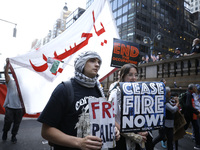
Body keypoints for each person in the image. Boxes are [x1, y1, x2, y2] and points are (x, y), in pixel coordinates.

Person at [37, 51, 120, 150]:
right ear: (82, 63)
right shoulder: (64, 89)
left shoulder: (99, 90)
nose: (97, 64)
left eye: (99, 62)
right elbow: (46, 131)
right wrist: (79, 143)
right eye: (92, 61)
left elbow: (103, 120)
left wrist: (112, 129)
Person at [108, 63, 149, 150]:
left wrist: (142, 131)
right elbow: (110, 118)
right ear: (123, 76)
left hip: (137, 139)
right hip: (121, 138)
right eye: (130, 75)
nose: (134, 78)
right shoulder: (115, 93)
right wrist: (131, 135)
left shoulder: (139, 93)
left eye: (136, 75)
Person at [2, 58, 24, 143]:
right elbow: (6, 73)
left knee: (17, 124)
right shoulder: (10, 82)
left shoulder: (23, 84)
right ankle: (5, 132)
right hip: (10, 107)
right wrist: (8, 64)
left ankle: (13, 136)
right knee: (8, 122)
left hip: (19, 108)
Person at [183, 84, 200, 149]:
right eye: (194, 88)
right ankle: (173, 138)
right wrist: (196, 111)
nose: (196, 89)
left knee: (196, 128)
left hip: (192, 115)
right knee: (184, 128)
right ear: (192, 89)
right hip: (189, 115)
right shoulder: (189, 94)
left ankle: (198, 144)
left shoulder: (192, 94)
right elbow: (188, 106)